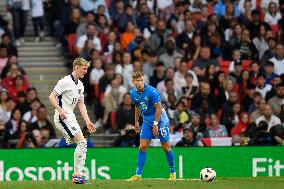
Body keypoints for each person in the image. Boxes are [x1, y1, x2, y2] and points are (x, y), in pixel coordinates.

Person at [48, 58, 96, 184]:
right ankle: (77, 175)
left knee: (82, 144)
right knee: (82, 142)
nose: (85, 71)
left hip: (71, 116)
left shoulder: (80, 85)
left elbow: (81, 104)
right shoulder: (65, 81)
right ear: (76, 67)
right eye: (84, 68)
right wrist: (60, 110)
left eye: (86, 69)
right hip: (63, 116)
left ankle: (77, 176)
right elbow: (51, 97)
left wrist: (88, 121)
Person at [128, 72, 176, 181]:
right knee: (142, 146)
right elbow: (137, 106)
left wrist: (155, 124)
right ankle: (138, 175)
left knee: (166, 147)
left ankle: (173, 172)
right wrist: (136, 122)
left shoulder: (152, 91)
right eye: (138, 80)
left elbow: (159, 108)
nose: (140, 82)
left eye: (141, 80)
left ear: (143, 80)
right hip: (147, 121)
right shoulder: (133, 93)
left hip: (161, 120)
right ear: (134, 81)